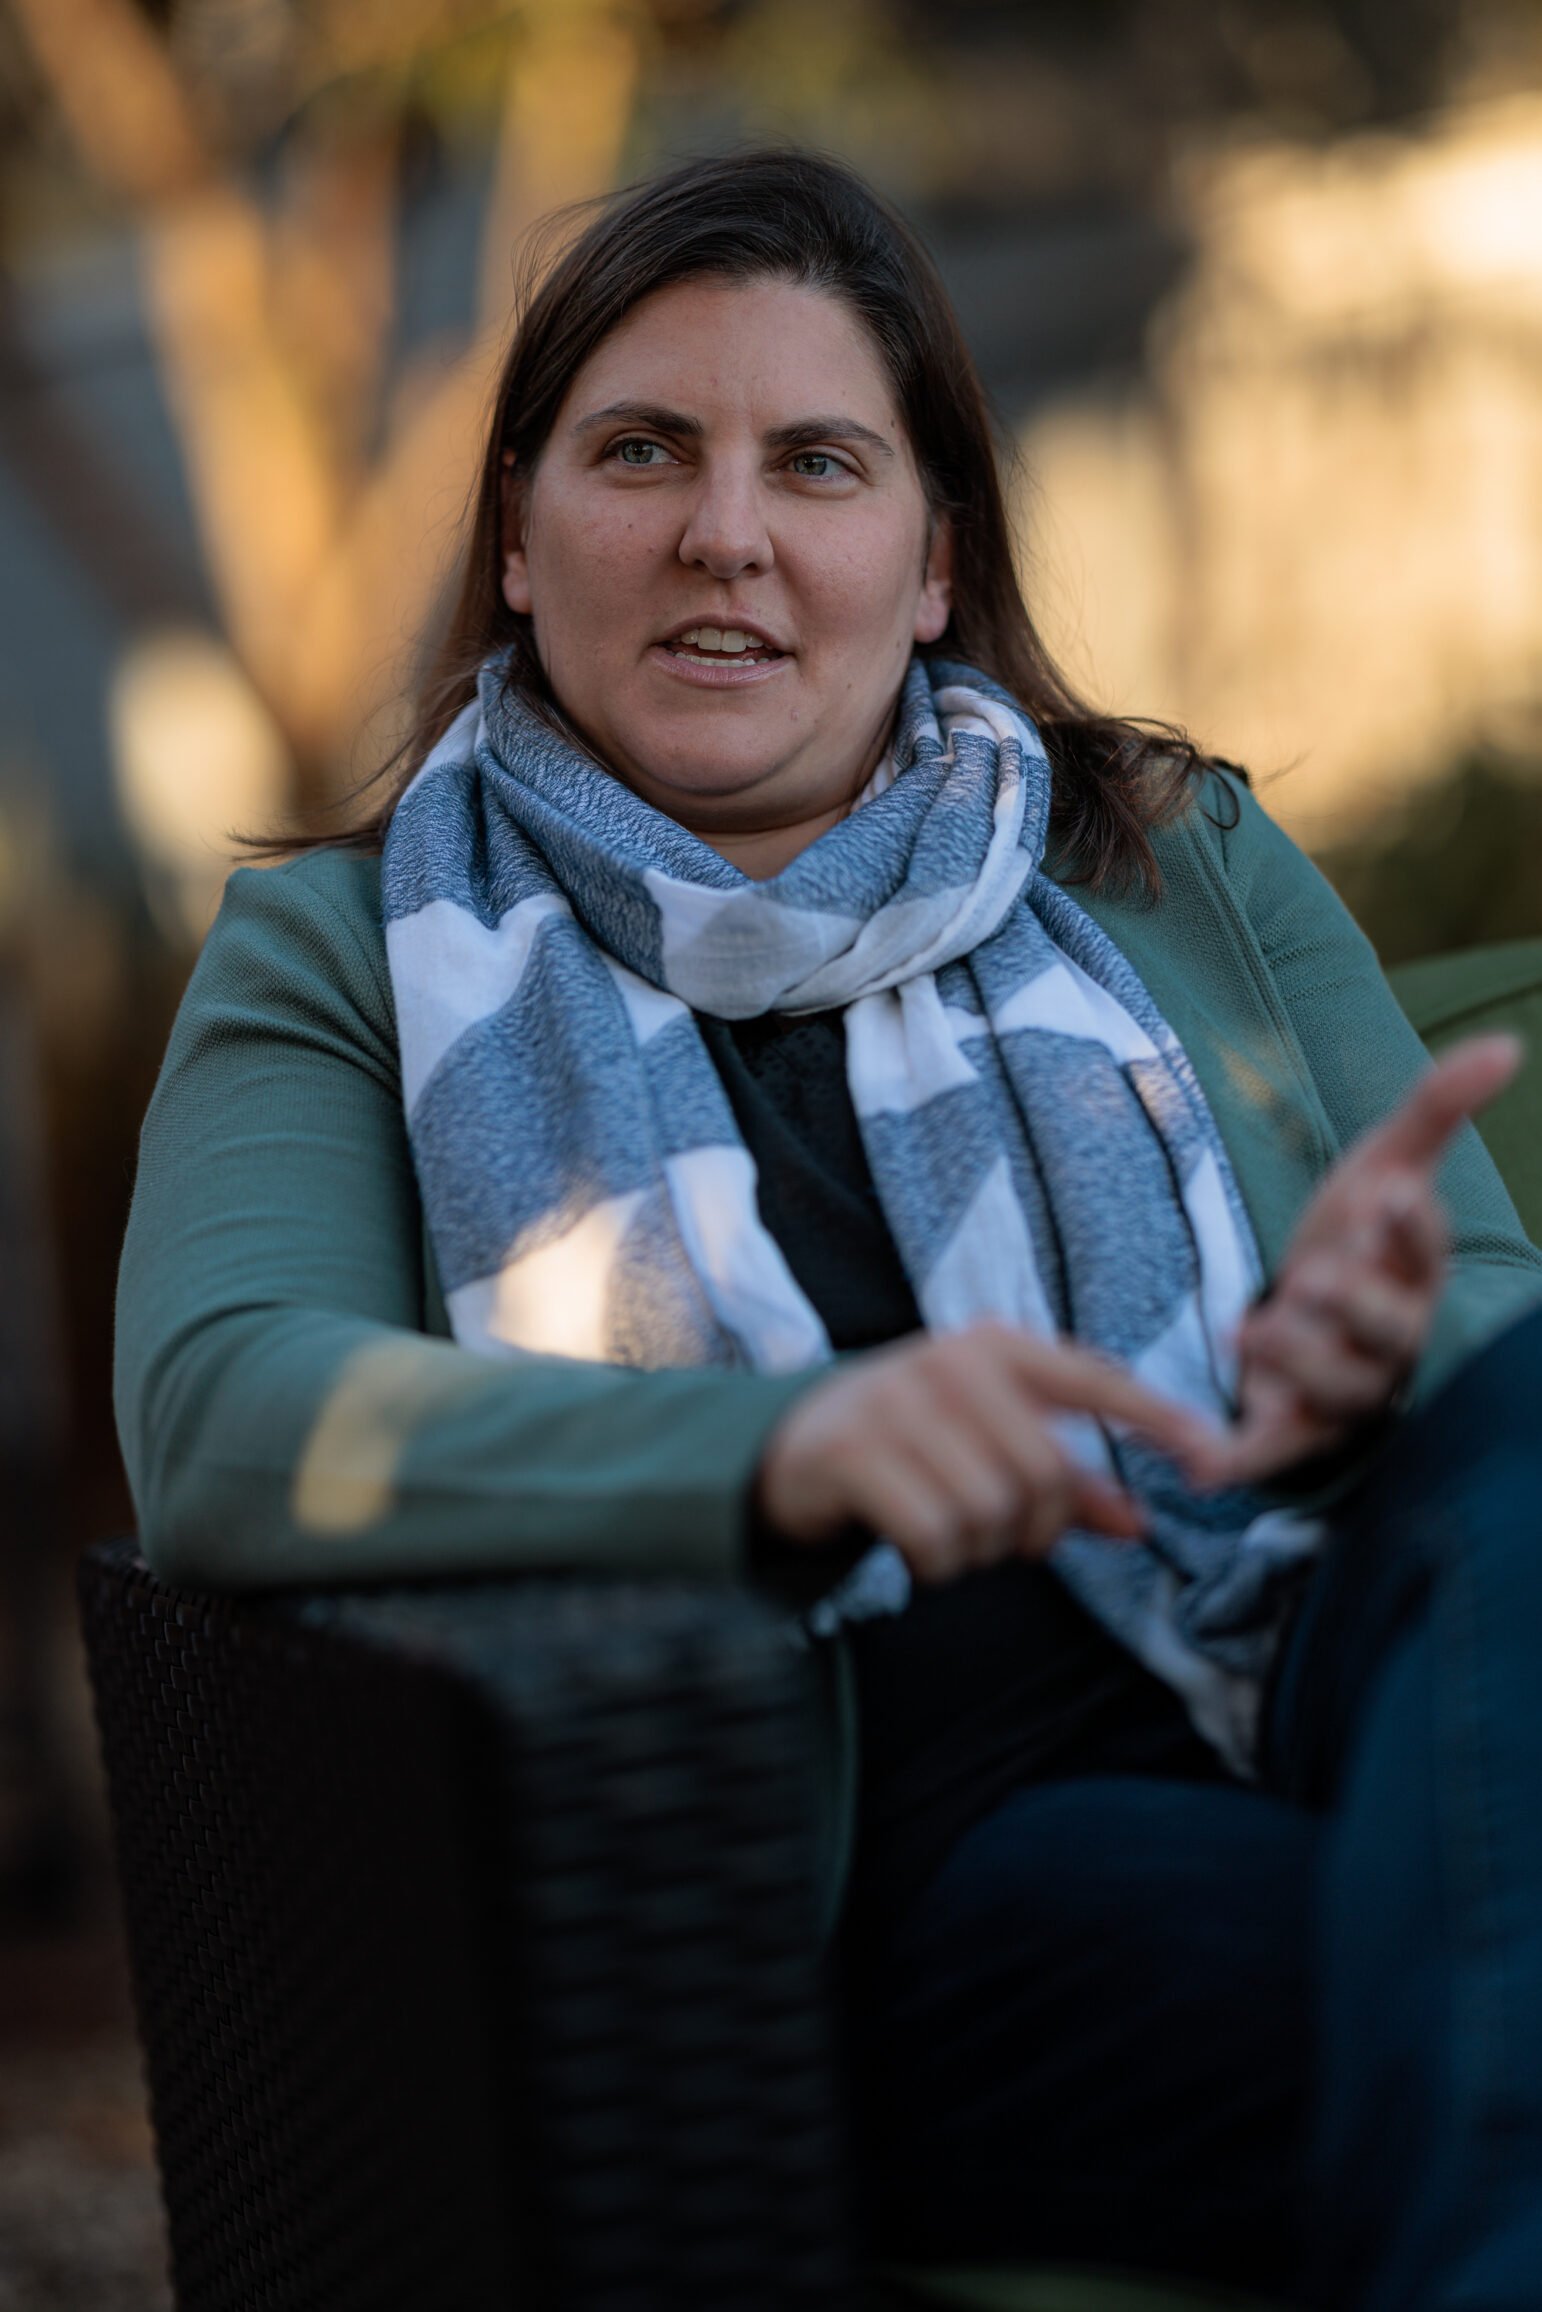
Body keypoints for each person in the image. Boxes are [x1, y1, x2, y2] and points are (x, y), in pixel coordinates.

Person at [116, 149, 1542, 2309]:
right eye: (641, 450)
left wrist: (1366, 1374)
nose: (729, 529)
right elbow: (228, 1415)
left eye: (819, 461)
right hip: (907, 1865)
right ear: (516, 533)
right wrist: (775, 1456)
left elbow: (1492, 1334)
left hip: (1345, 1684)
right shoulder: (341, 955)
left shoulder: (1170, 854)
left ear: (935, 555)